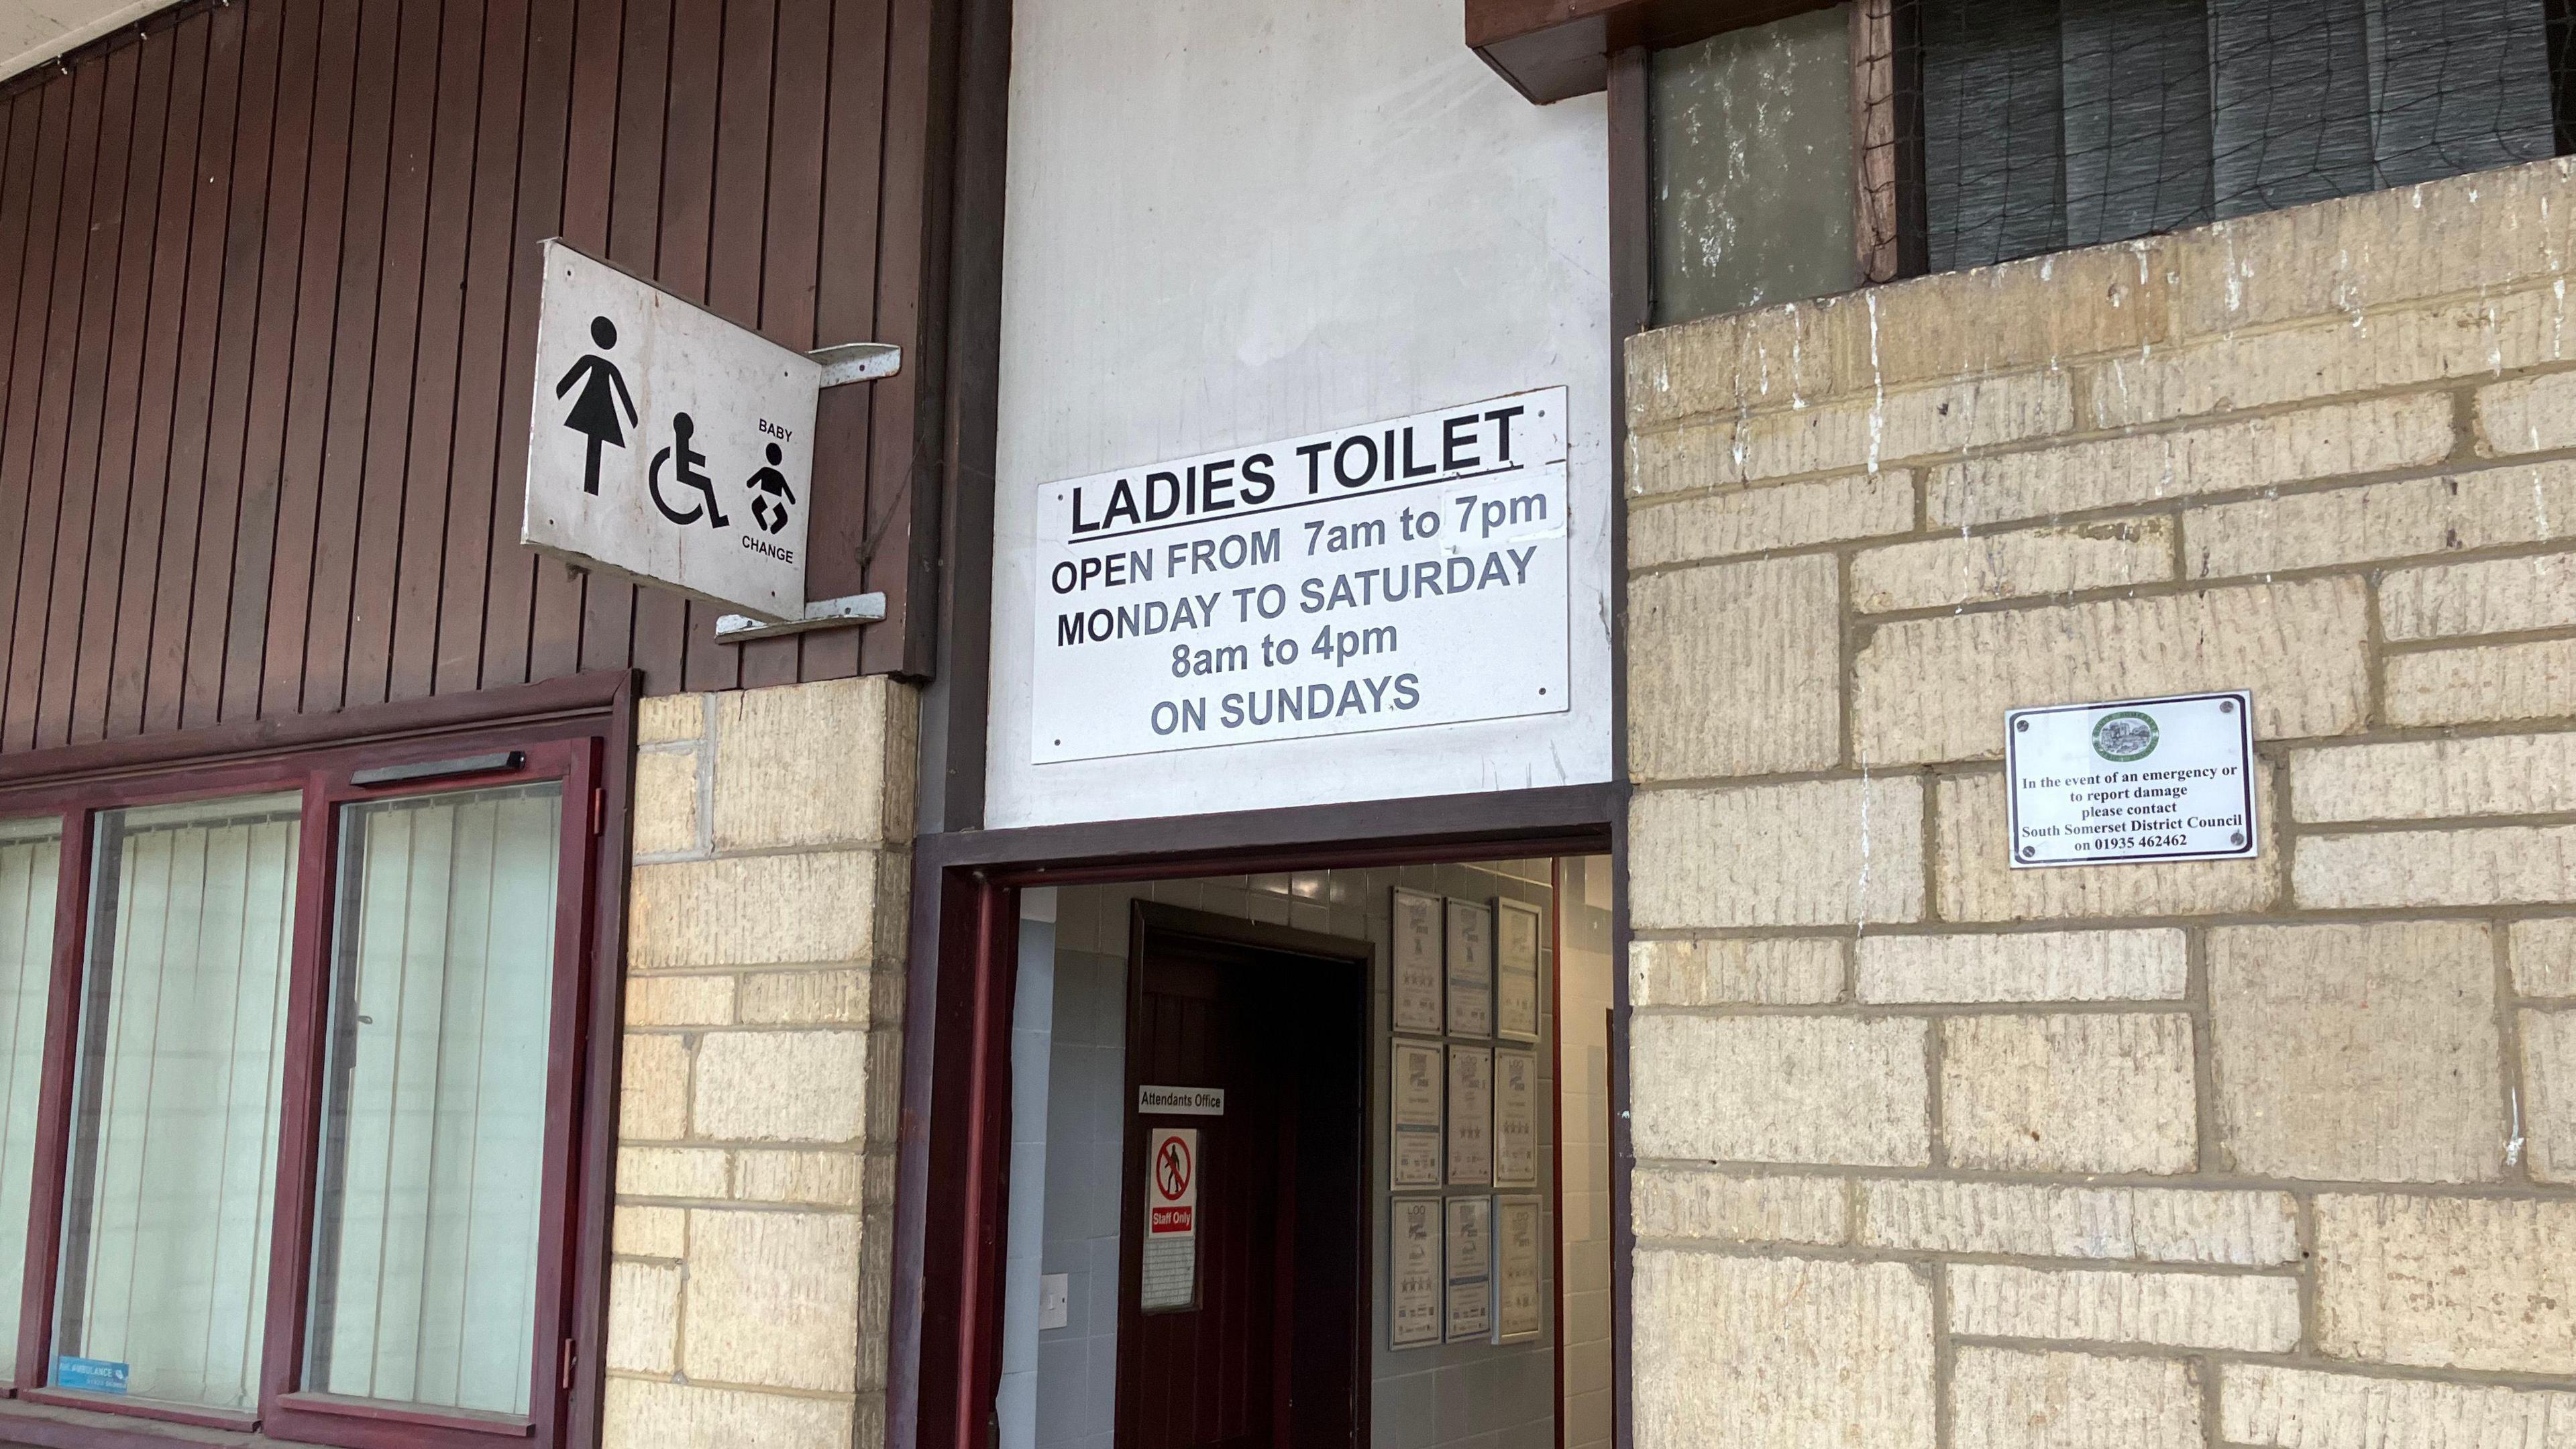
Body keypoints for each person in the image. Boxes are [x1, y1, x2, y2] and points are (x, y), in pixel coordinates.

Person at [556, 315, 639, 494]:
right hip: (596, 408)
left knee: (596, 444)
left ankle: (591, 488)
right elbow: (572, 378)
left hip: (596, 408)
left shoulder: (598, 363)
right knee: (595, 443)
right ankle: (589, 488)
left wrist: (633, 418)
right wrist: (633, 418)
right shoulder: (598, 363)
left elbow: (622, 393)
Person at [649, 413, 730, 527]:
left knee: (706, 484)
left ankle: (717, 519)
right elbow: (691, 457)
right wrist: (700, 460)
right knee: (706, 484)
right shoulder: (681, 438)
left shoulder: (682, 438)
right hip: (682, 471)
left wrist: (699, 460)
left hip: (682, 467)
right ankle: (716, 519)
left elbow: (693, 457)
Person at [746, 442, 796, 535]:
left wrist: (750, 484)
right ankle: (772, 529)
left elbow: (750, 483)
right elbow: (790, 496)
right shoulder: (779, 475)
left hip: (765, 498)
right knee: (783, 518)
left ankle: (765, 526)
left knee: (756, 507)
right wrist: (792, 500)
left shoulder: (765, 471)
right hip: (776, 501)